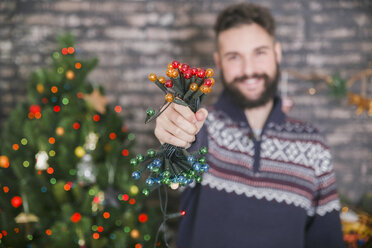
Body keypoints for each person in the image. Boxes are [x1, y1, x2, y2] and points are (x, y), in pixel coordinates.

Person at [154, 3, 344, 248]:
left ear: (277, 53)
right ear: (219, 62)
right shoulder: (204, 128)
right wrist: (173, 130)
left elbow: (327, 240)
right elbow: (180, 159)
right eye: (234, 57)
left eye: (259, 53)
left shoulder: (313, 145)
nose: (249, 70)